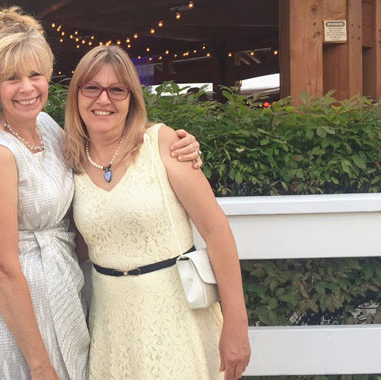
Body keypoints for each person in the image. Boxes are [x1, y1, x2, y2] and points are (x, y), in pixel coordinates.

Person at [0, 7, 204, 380]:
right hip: (23, 309)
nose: (27, 88)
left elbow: (101, 161)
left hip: (63, 286)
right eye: (12, 78)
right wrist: (39, 363)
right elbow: (1, 267)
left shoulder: (46, 127)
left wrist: (179, 144)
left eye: (35, 75)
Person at [64, 45, 251, 380]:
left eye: (116, 89)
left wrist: (236, 326)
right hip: (111, 328)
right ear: (76, 95)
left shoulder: (161, 143)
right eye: (91, 87)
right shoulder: (71, 159)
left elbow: (216, 230)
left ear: (132, 98)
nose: (103, 100)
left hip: (177, 319)